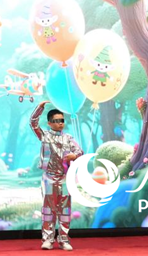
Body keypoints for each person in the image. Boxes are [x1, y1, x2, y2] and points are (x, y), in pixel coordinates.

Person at [30, 101, 83, 251]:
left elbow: (80, 151)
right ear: (49, 123)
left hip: (65, 178)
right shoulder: (44, 136)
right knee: (48, 209)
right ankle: (48, 239)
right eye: (56, 121)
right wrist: (40, 107)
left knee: (65, 210)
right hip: (49, 177)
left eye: (62, 120)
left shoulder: (68, 138)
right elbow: (33, 123)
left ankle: (63, 239)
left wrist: (74, 155)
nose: (60, 123)